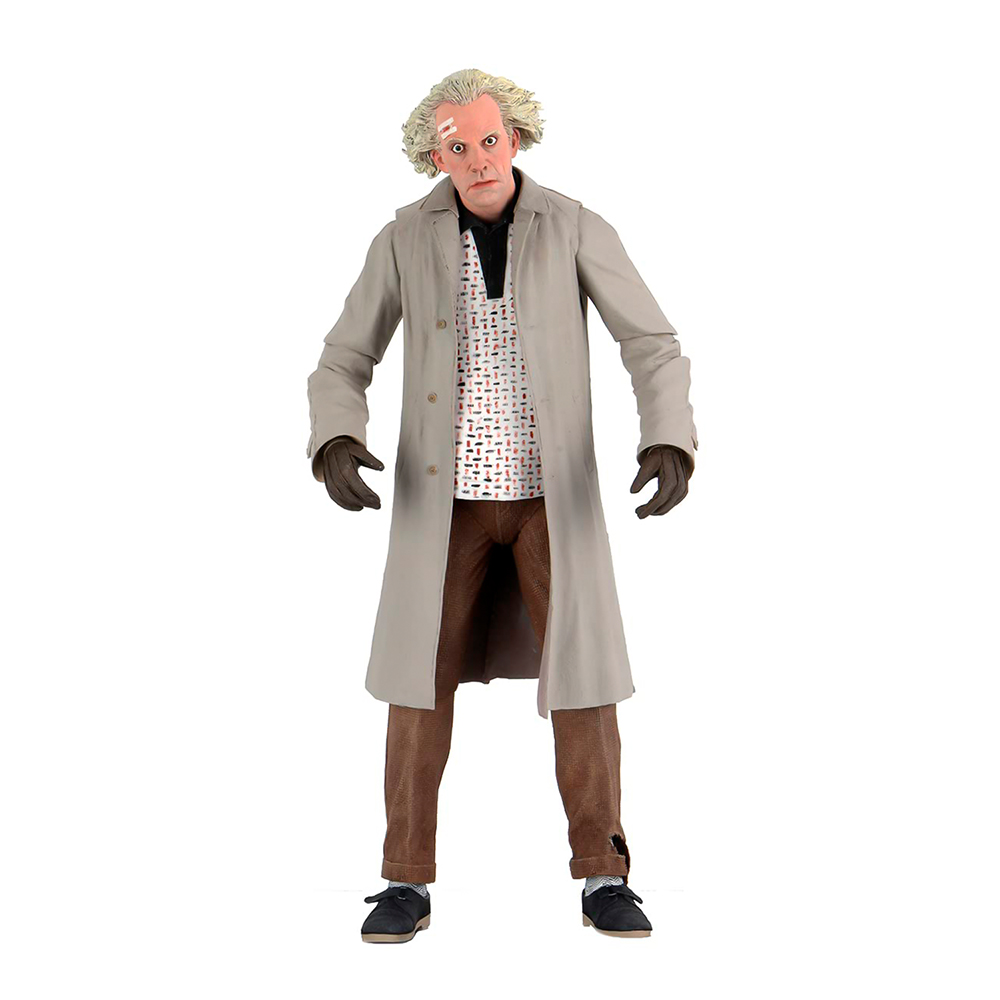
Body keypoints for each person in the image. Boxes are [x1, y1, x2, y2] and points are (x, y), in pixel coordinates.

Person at [306, 69, 697, 942]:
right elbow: (343, 358)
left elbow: (650, 341)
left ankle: (604, 872)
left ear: (515, 139)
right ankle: (404, 879)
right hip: (442, 506)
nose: (479, 159)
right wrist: (334, 434)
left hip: (551, 500)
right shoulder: (404, 240)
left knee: (586, 685)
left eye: (490, 140)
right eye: (458, 146)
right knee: (417, 685)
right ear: (433, 157)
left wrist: (668, 435)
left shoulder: (573, 226)